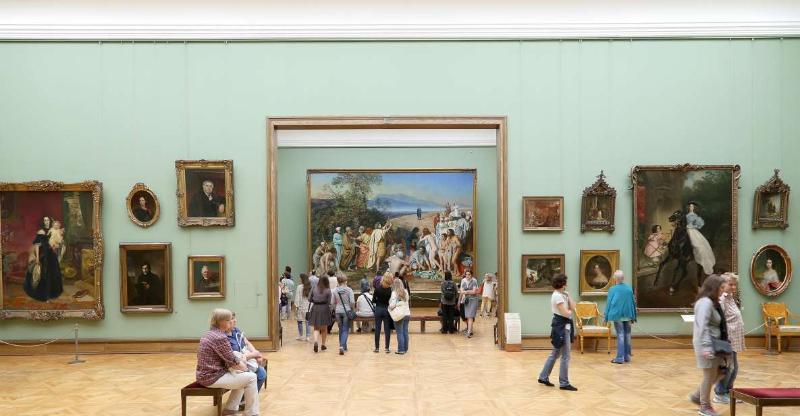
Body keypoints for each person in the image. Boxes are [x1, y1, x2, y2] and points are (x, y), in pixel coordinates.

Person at [196, 308, 260, 416]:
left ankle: (230, 409)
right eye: (229, 320)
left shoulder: (210, 333)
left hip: (204, 374)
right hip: (212, 377)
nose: (231, 323)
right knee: (251, 377)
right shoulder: (220, 337)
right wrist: (245, 367)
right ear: (222, 322)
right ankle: (252, 414)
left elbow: (230, 359)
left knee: (243, 376)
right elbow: (234, 362)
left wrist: (242, 365)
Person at [689, 274, 730, 416]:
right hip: (706, 344)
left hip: (714, 343)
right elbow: (702, 326)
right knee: (709, 374)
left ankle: (697, 396)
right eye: (721, 288)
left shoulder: (712, 302)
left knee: (720, 372)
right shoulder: (705, 302)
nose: (723, 291)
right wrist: (706, 347)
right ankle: (704, 406)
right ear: (714, 288)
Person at [537, 274, 577, 391]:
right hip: (562, 327)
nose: (566, 284)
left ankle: (543, 376)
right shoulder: (557, 296)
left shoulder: (563, 295)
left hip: (564, 326)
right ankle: (564, 383)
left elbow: (573, 307)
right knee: (566, 355)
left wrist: (569, 297)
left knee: (555, 354)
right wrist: (570, 311)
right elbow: (566, 313)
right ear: (562, 284)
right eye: (565, 282)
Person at [714, 273, 744, 405]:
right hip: (727, 339)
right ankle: (720, 394)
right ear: (723, 285)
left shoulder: (731, 298)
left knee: (734, 367)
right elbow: (719, 320)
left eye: (734, 284)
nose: (733, 287)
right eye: (730, 284)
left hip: (734, 339)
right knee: (728, 367)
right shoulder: (721, 299)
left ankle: (728, 392)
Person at [23, 216, 64, 302]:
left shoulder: (53, 230)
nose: (46, 221)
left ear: (50, 221)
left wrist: (55, 245)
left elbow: (56, 242)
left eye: (48, 220)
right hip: (43, 255)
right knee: (44, 274)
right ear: (43, 222)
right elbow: (37, 245)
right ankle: (44, 296)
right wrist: (37, 258)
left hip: (51, 255)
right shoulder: (41, 231)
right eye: (45, 220)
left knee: (53, 273)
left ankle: (52, 294)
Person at [227, 312, 267, 392]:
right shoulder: (223, 337)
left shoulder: (235, 330)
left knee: (261, 373)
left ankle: (245, 399)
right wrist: (254, 355)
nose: (235, 321)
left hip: (246, 359)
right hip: (236, 364)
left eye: (235, 318)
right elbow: (232, 358)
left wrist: (256, 353)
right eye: (232, 319)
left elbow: (247, 342)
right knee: (260, 374)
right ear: (225, 322)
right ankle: (244, 399)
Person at [604, 270, 637, 364]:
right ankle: (627, 357)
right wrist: (634, 316)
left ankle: (620, 358)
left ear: (615, 278)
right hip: (628, 315)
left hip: (617, 315)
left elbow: (609, 303)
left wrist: (606, 317)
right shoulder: (629, 289)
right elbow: (632, 303)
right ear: (623, 278)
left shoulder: (612, 289)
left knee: (621, 335)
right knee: (627, 335)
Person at [685, 201, 716, 275]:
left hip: (692, 231)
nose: (690, 207)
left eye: (692, 206)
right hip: (685, 230)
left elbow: (700, 225)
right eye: (689, 206)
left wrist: (692, 226)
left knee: (698, 245)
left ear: (694, 208)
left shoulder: (695, 216)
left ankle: (700, 259)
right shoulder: (685, 215)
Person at [308, 275, 333, 353]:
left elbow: (309, 299)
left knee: (316, 327)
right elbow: (329, 302)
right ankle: (323, 344)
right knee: (324, 328)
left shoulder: (314, 288)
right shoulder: (328, 290)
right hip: (324, 308)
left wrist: (315, 300)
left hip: (315, 308)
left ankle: (315, 341)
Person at [332, 274, 355, 355]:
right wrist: (352, 308)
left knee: (341, 329)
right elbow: (352, 302)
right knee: (345, 329)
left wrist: (335, 309)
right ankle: (342, 346)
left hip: (338, 311)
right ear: (345, 281)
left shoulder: (334, 290)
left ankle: (343, 346)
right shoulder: (349, 290)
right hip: (346, 310)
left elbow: (332, 303)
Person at [372, 274, 394, 353]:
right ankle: (387, 348)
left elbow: (373, 300)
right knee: (387, 329)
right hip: (386, 310)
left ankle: (377, 348)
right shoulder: (390, 290)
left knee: (377, 329)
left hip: (378, 309)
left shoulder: (377, 289)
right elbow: (391, 301)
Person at [389, 279, 411, 354]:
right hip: (407, 313)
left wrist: (389, 307)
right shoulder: (406, 291)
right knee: (405, 331)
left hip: (399, 314)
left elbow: (392, 305)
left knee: (399, 332)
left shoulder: (394, 293)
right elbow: (407, 301)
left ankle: (401, 349)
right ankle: (405, 348)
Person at [459, 270, 479, 338]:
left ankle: (469, 332)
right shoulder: (463, 280)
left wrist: (466, 291)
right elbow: (461, 291)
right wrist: (468, 291)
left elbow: (474, 292)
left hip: (473, 300)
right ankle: (471, 330)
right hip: (466, 300)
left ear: (471, 275)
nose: (468, 276)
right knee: (468, 316)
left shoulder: (474, 281)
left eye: (469, 274)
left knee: (470, 316)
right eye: (466, 274)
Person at [294, 273, 312, 341]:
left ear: (302, 279)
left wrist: (296, 306)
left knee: (299, 321)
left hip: (301, 307)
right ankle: (308, 336)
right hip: (308, 307)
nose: (299, 279)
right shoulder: (310, 286)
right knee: (307, 322)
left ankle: (301, 335)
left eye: (300, 278)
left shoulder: (299, 287)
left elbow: (297, 297)